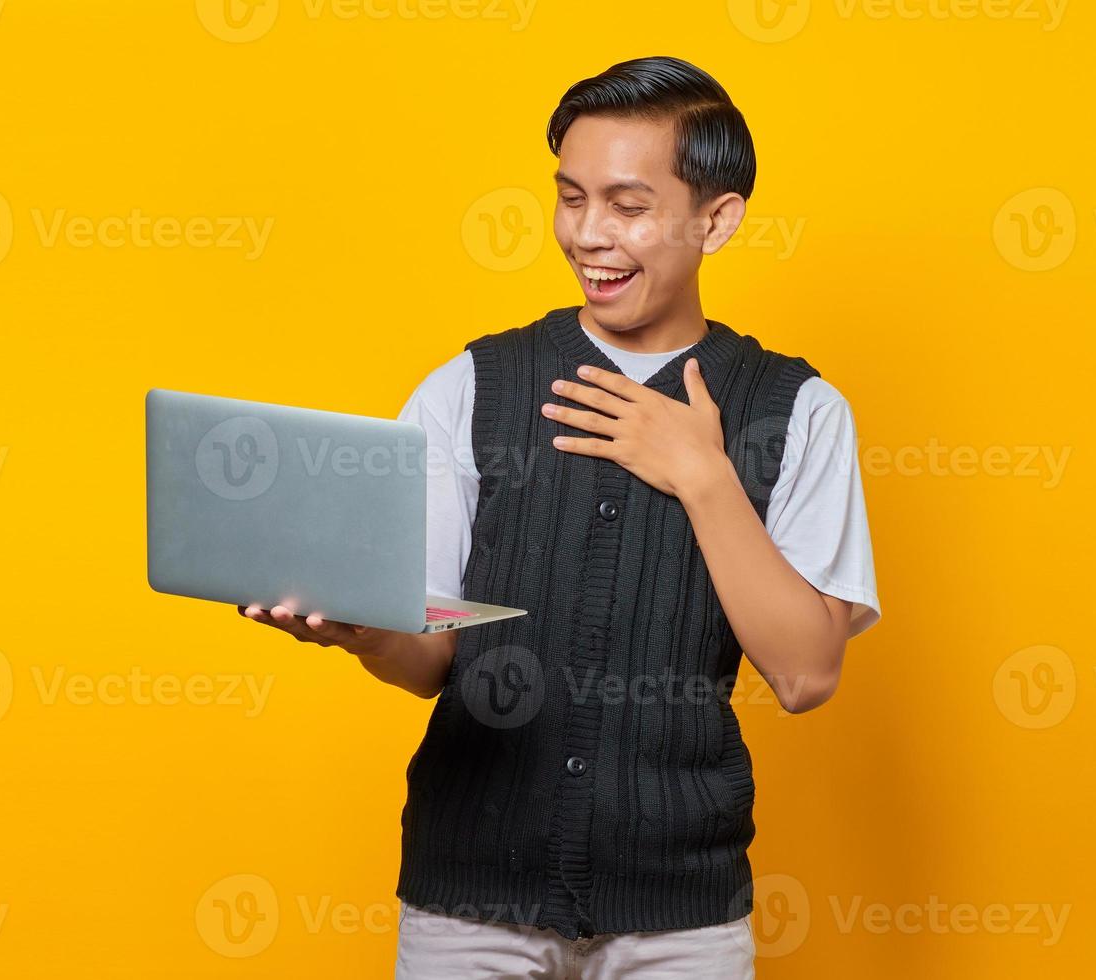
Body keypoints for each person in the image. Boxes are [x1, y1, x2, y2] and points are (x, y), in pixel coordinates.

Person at [239, 55, 880, 979]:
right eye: (570, 198)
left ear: (718, 218)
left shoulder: (801, 409)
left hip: (680, 914)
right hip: (467, 900)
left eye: (627, 205)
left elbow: (807, 672)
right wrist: (358, 634)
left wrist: (703, 475)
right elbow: (428, 660)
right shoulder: (470, 386)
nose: (589, 235)